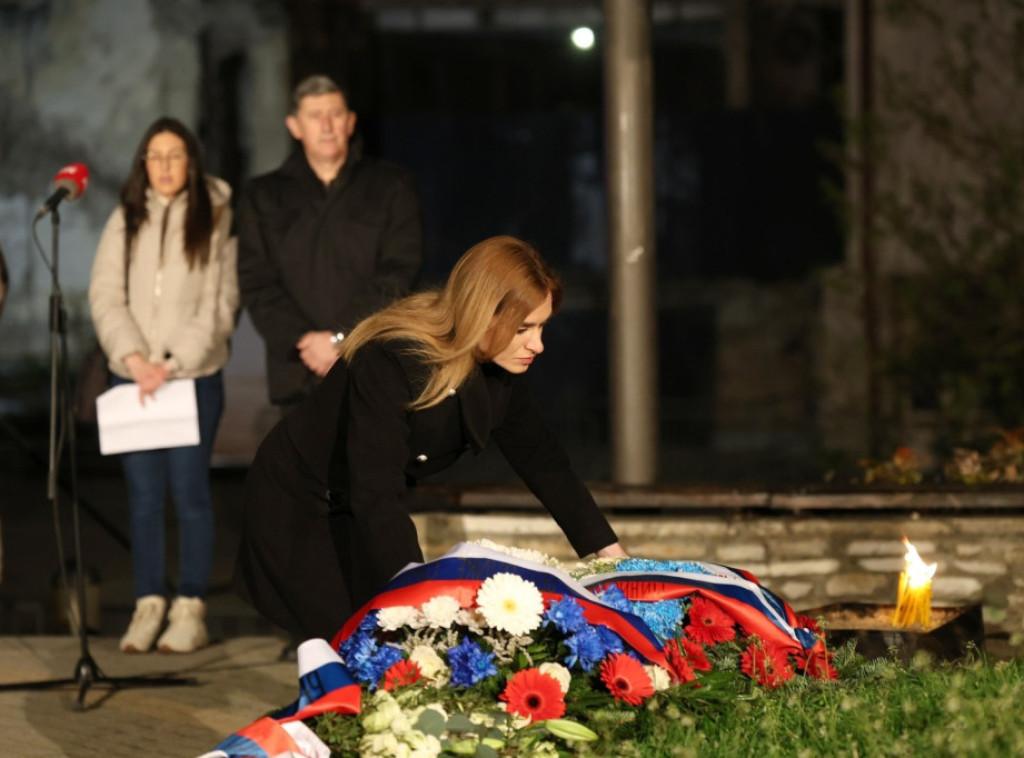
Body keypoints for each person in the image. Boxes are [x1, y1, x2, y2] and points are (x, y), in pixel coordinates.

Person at [236, 236, 627, 641]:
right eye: (523, 328)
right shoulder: (392, 358)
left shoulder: (499, 371)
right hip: (300, 504)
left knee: (382, 640)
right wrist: (418, 597)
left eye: (542, 326)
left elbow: (545, 464)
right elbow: (376, 491)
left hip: (359, 506)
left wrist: (612, 557)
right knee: (356, 638)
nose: (537, 344)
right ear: (481, 315)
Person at [89, 117, 238, 653]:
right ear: (143, 164)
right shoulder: (125, 217)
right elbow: (105, 293)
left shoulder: (215, 214)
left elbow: (220, 303)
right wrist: (134, 357)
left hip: (190, 378)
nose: (165, 166)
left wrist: (171, 362)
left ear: (191, 162)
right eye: (155, 156)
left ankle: (190, 607)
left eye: (175, 155)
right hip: (133, 378)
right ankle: (148, 602)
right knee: (144, 498)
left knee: (191, 494)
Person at [237, 74, 422, 407]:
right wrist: (305, 341)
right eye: (314, 116)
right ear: (294, 126)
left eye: (335, 114)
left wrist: (342, 336)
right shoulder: (262, 196)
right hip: (298, 371)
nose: (326, 126)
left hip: (372, 366)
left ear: (350, 122)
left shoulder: (392, 186)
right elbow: (256, 280)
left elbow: (399, 270)